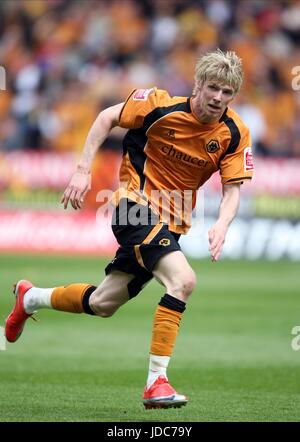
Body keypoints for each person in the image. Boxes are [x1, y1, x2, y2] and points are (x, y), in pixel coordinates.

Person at [5, 49, 253, 409]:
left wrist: (222, 222)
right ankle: (157, 384)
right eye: (213, 87)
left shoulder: (234, 133)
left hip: (172, 223)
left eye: (227, 92)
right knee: (183, 281)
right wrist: (82, 169)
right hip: (132, 207)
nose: (218, 98)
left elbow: (233, 190)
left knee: (104, 303)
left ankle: (29, 298)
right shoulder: (158, 104)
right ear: (198, 84)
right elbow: (107, 117)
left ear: (233, 95)